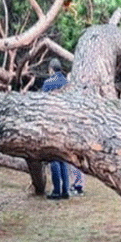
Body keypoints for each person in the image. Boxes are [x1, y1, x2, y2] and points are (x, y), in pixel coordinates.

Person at [41, 58, 70, 199]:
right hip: (65, 124)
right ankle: (66, 190)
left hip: (52, 123)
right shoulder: (67, 83)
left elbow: (41, 103)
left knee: (53, 158)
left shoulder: (48, 83)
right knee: (63, 158)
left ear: (51, 69)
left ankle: (56, 190)